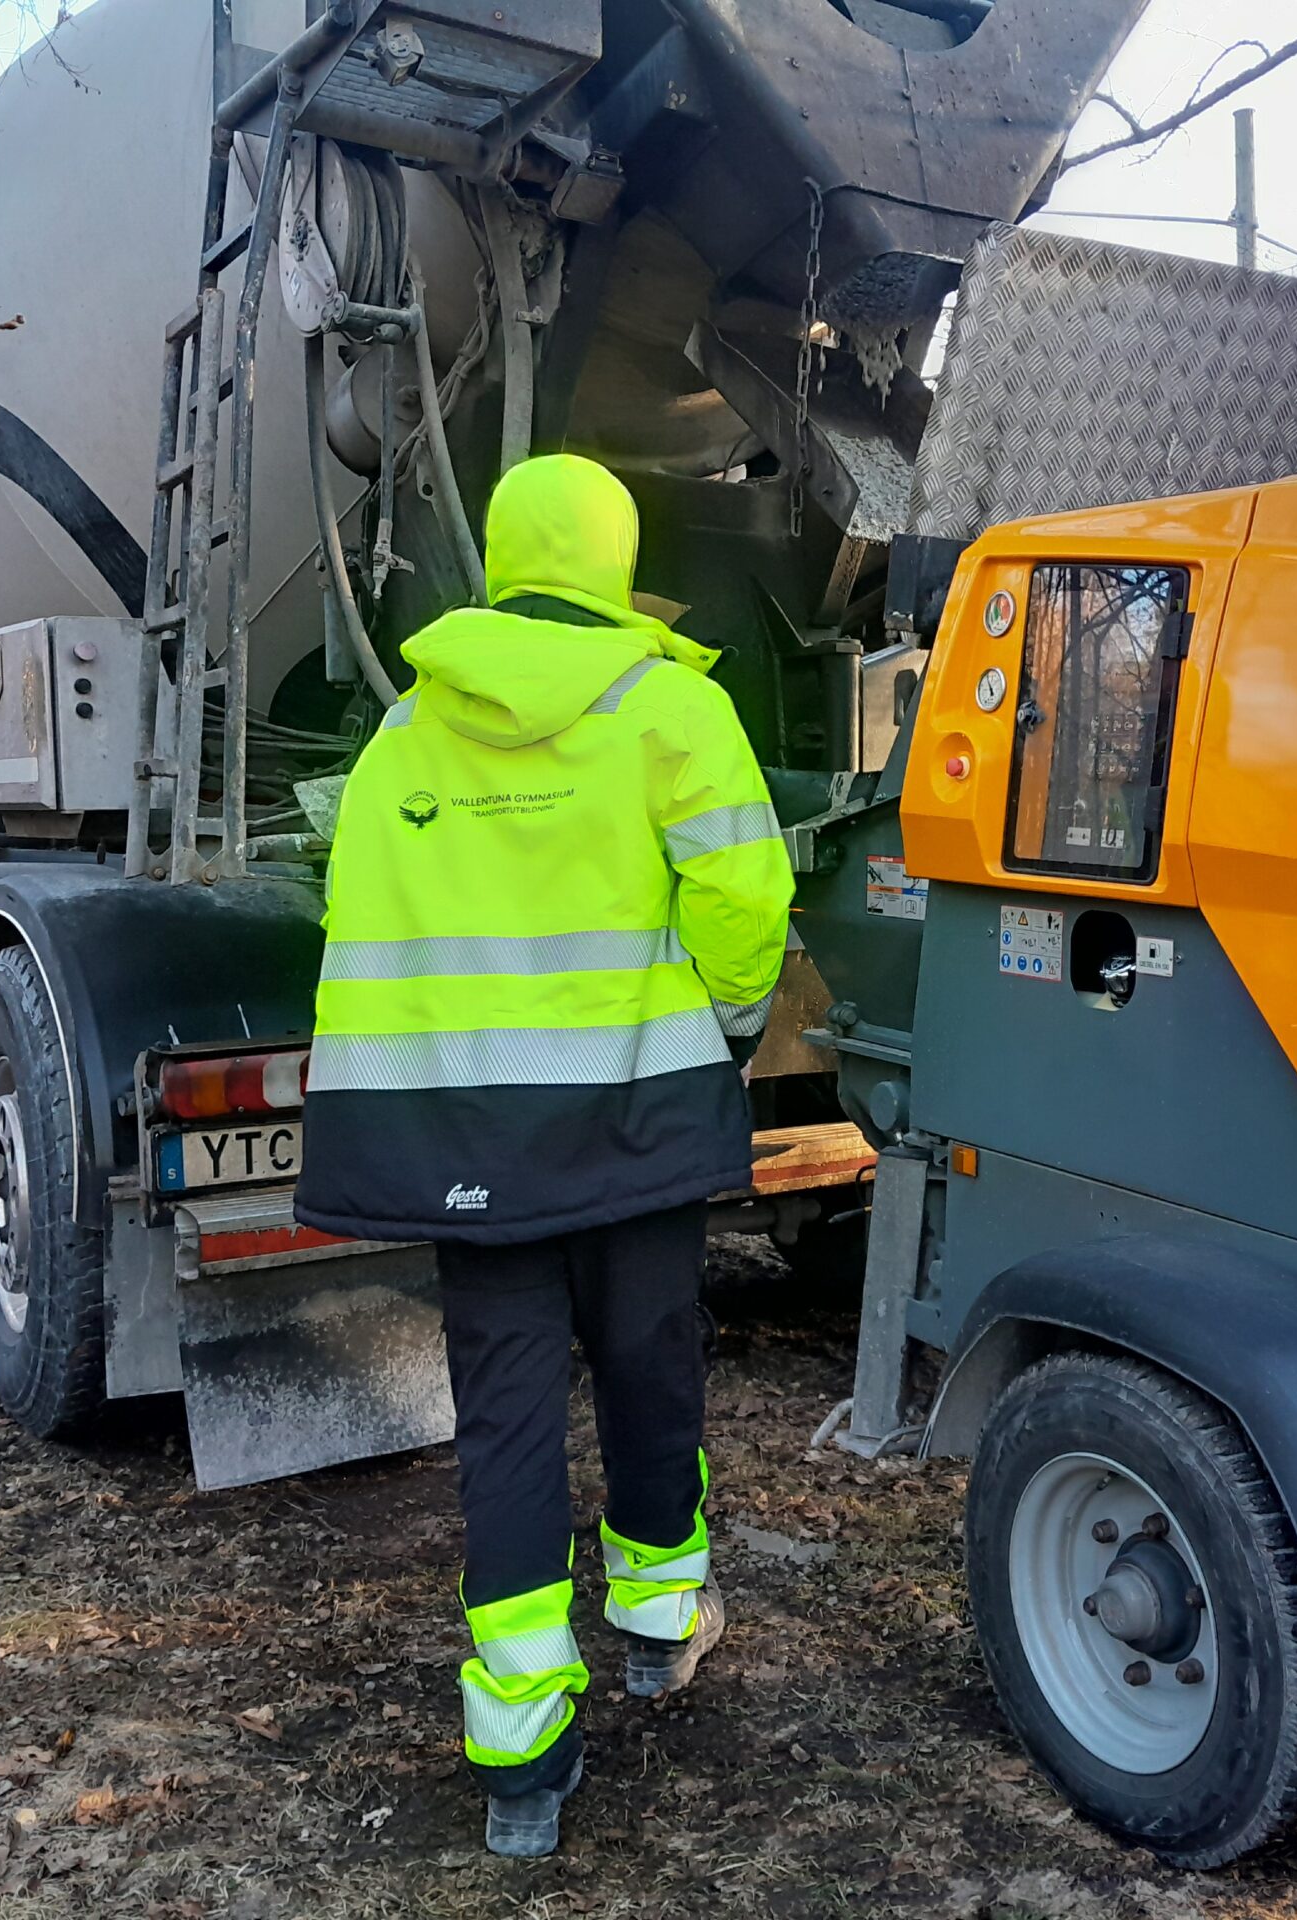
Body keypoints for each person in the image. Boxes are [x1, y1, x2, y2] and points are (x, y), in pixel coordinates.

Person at [294, 453, 794, 1857]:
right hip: (630, 1121)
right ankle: (653, 1626)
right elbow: (747, 903)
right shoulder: (672, 711)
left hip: (469, 1138)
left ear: (502, 556)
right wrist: (720, 1032)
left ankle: (521, 1757)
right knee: (651, 1365)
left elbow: (366, 930)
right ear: (613, 557)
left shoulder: (408, 734)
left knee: (507, 1420)